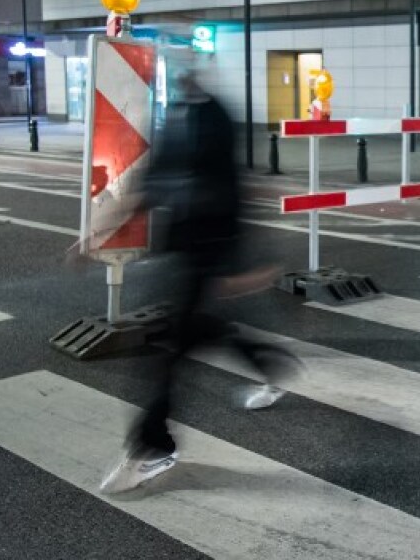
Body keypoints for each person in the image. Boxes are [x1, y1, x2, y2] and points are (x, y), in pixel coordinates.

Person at [99, 67, 295, 495]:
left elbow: (232, 187)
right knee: (196, 332)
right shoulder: (177, 114)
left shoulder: (216, 117)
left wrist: (245, 263)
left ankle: (153, 447)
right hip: (185, 249)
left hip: (210, 248)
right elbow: (156, 180)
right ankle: (267, 362)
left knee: (167, 351)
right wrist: (101, 231)